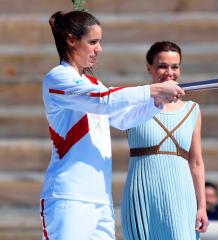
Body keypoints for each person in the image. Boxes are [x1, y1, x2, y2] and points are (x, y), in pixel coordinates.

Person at [40, 11, 184, 240]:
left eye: (100, 42)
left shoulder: (93, 83)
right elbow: (104, 100)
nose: (99, 49)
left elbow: (124, 118)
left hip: (101, 199)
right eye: (93, 42)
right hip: (69, 198)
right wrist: (154, 89)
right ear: (70, 40)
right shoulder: (57, 78)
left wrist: (156, 102)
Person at [121, 41, 208, 240]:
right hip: (142, 194)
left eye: (175, 66)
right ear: (149, 67)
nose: (169, 72)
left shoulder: (192, 110)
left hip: (181, 196)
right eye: (162, 66)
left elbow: (196, 162)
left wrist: (201, 207)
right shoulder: (135, 104)